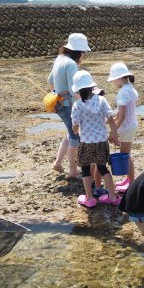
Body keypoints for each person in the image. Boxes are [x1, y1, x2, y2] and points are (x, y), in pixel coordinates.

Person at [71, 70, 120, 208]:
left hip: (86, 142)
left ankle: (90, 198)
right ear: (92, 87)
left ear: (78, 90)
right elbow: (110, 119)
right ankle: (112, 196)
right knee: (103, 168)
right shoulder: (102, 100)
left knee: (86, 169)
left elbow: (75, 126)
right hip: (101, 141)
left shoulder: (77, 105)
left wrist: (77, 132)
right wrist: (114, 134)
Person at [47, 32, 91, 178]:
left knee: (69, 133)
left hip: (58, 104)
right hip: (68, 106)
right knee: (75, 138)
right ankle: (73, 170)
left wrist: (57, 93)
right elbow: (74, 90)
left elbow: (50, 80)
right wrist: (87, 103)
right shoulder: (71, 64)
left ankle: (58, 163)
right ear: (79, 51)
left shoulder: (59, 58)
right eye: (84, 52)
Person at [108, 62, 138, 192]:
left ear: (119, 78)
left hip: (126, 127)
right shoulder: (130, 88)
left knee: (125, 156)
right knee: (126, 154)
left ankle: (131, 183)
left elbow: (122, 116)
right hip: (131, 125)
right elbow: (119, 113)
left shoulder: (123, 93)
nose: (113, 82)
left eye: (113, 79)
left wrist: (113, 132)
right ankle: (128, 180)